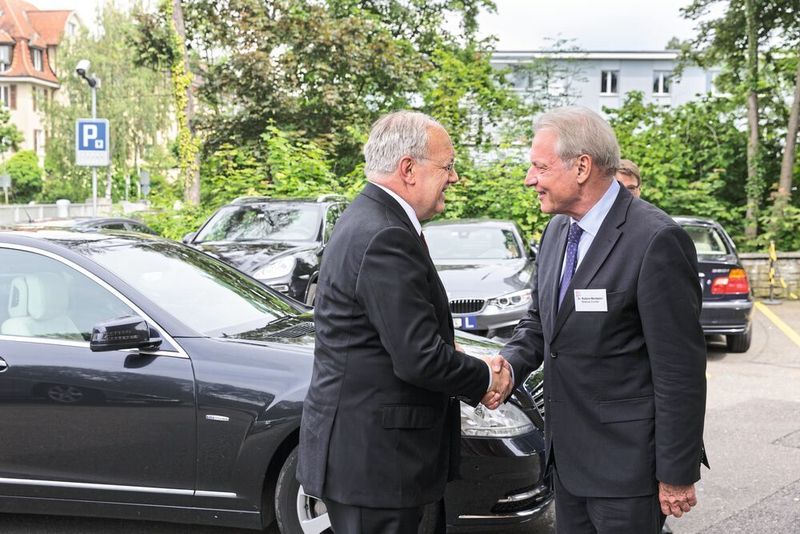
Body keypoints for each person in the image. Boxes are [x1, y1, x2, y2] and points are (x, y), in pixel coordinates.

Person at [297, 110, 513, 534]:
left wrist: (454, 354)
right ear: (408, 169)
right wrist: (485, 376)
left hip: (377, 461)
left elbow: (389, 336)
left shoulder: (373, 219)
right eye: (448, 166)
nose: (454, 178)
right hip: (379, 466)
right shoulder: (384, 233)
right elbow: (418, 359)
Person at [498, 107, 708, 533]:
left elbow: (679, 371)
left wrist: (677, 471)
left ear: (581, 167)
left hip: (627, 470)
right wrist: (503, 367)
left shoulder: (656, 239)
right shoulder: (557, 230)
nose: (529, 178)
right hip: (567, 465)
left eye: (539, 166)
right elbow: (540, 326)